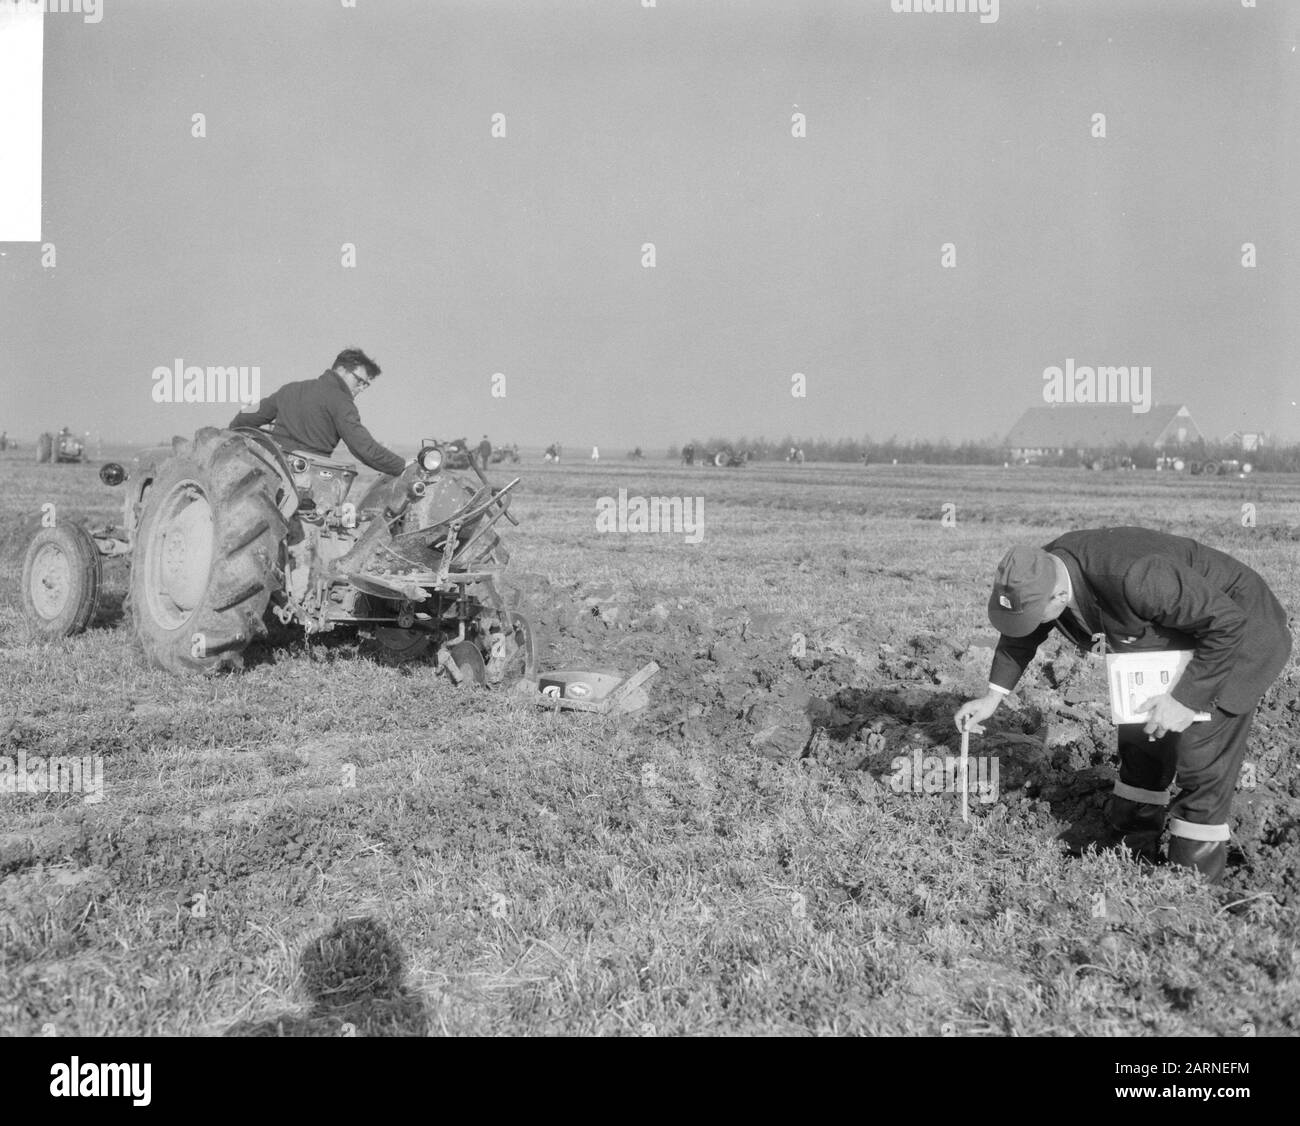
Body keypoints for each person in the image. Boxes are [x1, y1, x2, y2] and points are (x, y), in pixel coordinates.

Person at [954, 527, 1292, 882]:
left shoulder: (1138, 576)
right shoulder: (1037, 572)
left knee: (1199, 755)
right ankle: (1132, 853)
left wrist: (1185, 699)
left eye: (1035, 614)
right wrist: (994, 696)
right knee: (1141, 738)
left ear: (1057, 598)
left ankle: (1191, 883)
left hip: (1238, 632)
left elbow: (1226, 625)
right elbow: (1021, 631)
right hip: (1168, 640)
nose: (1029, 622)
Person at [228, 348, 405, 476]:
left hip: (275, 470)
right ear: (341, 370)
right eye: (359, 381)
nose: (361, 388)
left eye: (365, 384)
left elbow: (244, 418)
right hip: (312, 476)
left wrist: (232, 440)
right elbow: (363, 448)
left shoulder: (289, 390)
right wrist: (401, 466)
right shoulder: (341, 402)